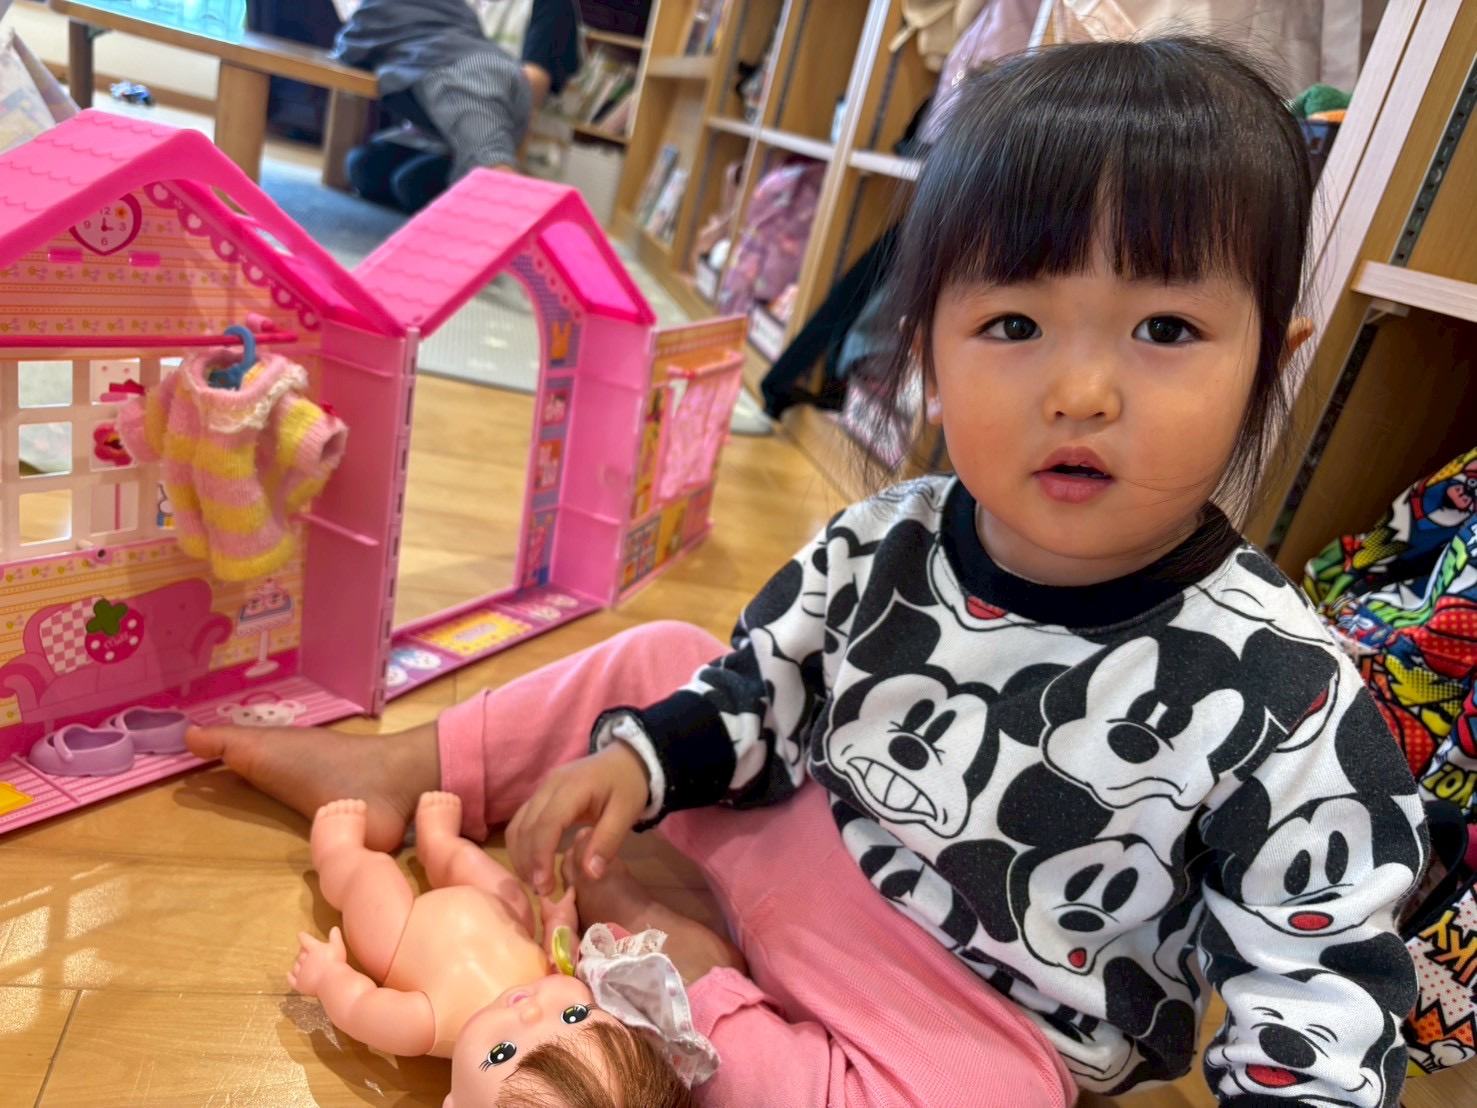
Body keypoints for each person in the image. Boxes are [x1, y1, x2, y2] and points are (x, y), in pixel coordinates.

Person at [190, 36, 1428, 1107]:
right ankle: (415, 767)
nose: (1082, 389)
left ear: (1271, 360)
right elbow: (759, 689)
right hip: (801, 839)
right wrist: (641, 762)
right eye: (1013, 323)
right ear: (928, 350)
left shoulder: (1286, 688)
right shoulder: (888, 534)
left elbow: (1319, 984)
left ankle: (682, 965)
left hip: (967, 1020)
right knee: (664, 661)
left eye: (1165, 329)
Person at [291, 791, 695, 1106]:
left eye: (502, 1053)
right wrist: (559, 920)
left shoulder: (426, 1022)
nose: (531, 1012)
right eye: (573, 1015)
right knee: (511, 896)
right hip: (495, 911)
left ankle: (338, 852)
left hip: (401, 932)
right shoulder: (555, 976)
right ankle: (438, 843)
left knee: (372, 876)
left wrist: (327, 976)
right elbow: (559, 945)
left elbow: (358, 1007)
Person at [336, 0, 582, 202]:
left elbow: (534, 85)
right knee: (363, 168)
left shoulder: (552, 5)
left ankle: (500, 188)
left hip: (508, 127)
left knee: (413, 183)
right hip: (440, 126)